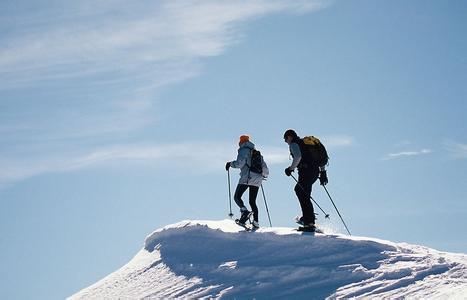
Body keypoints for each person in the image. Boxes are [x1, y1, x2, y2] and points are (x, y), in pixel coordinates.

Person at [283, 129, 328, 231]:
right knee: (304, 193)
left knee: (299, 191)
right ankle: (308, 218)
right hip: (315, 172)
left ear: (289, 137)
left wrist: (290, 168)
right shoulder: (305, 144)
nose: (286, 141)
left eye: (285, 139)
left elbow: (298, 157)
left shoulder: (294, 144)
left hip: (306, 171)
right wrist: (323, 173)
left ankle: (309, 222)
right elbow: (318, 159)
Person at [226, 135, 269, 229]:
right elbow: (265, 168)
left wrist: (230, 164)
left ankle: (245, 212)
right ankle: (256, 222)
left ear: (241, 142)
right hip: (257, 179)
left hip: (247, 177)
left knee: (237, 197)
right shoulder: (256, 152)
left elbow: (239, 163)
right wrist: (263, 176)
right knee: (252, 201)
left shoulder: (243, 150)